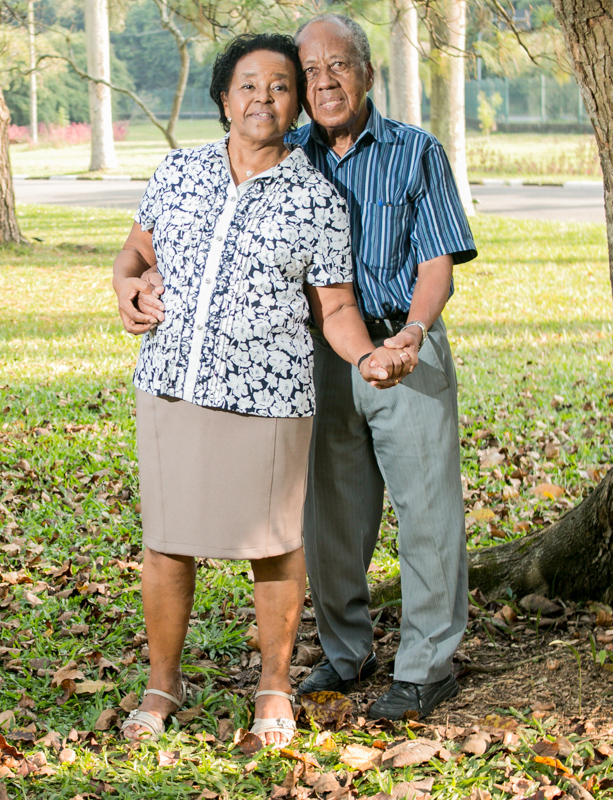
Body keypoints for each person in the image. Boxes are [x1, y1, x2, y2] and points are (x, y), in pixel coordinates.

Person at [138, 14, 477, 722]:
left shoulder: (415, 153)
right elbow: (161, 242)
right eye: (309, 73)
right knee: (331, 517)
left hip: (397, 342)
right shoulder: (285, 146)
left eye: (337, 68)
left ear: (367, 74)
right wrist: (131, 282)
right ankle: (347, 651)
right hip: (316, 355)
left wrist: (410, 335)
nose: (322, 84)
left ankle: (426, 665)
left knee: (426, 515)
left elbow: (436, 261)